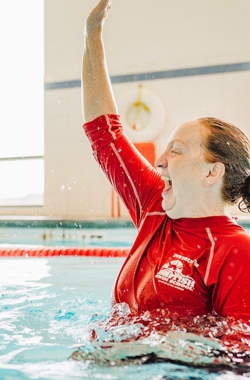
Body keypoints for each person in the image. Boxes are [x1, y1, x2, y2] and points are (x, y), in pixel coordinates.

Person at [82, 0, 250, 319]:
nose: (159, 161)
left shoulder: (235, 251)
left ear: (212, 172)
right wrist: (92, 35)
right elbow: (104, 134)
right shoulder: (154, 208)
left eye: (176, 150)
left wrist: (148, 349)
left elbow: (238, 355)